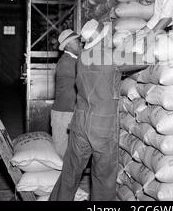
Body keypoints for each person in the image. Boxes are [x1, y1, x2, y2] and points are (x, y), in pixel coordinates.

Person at [49, 19, 146, 201]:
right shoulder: (110, 56)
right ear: (103, 37)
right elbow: (145, 60)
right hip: (102, 126)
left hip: (79, 123)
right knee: (103, 178)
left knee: (70, 172)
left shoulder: (82, 59)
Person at [50, 29, 81, 157]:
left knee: (70, 154)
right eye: (77, 42)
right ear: (68, 45)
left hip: (70, 112)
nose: (80, 44)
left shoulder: (74, 60)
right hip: (63, 114)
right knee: (60, 154)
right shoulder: (67, 62)